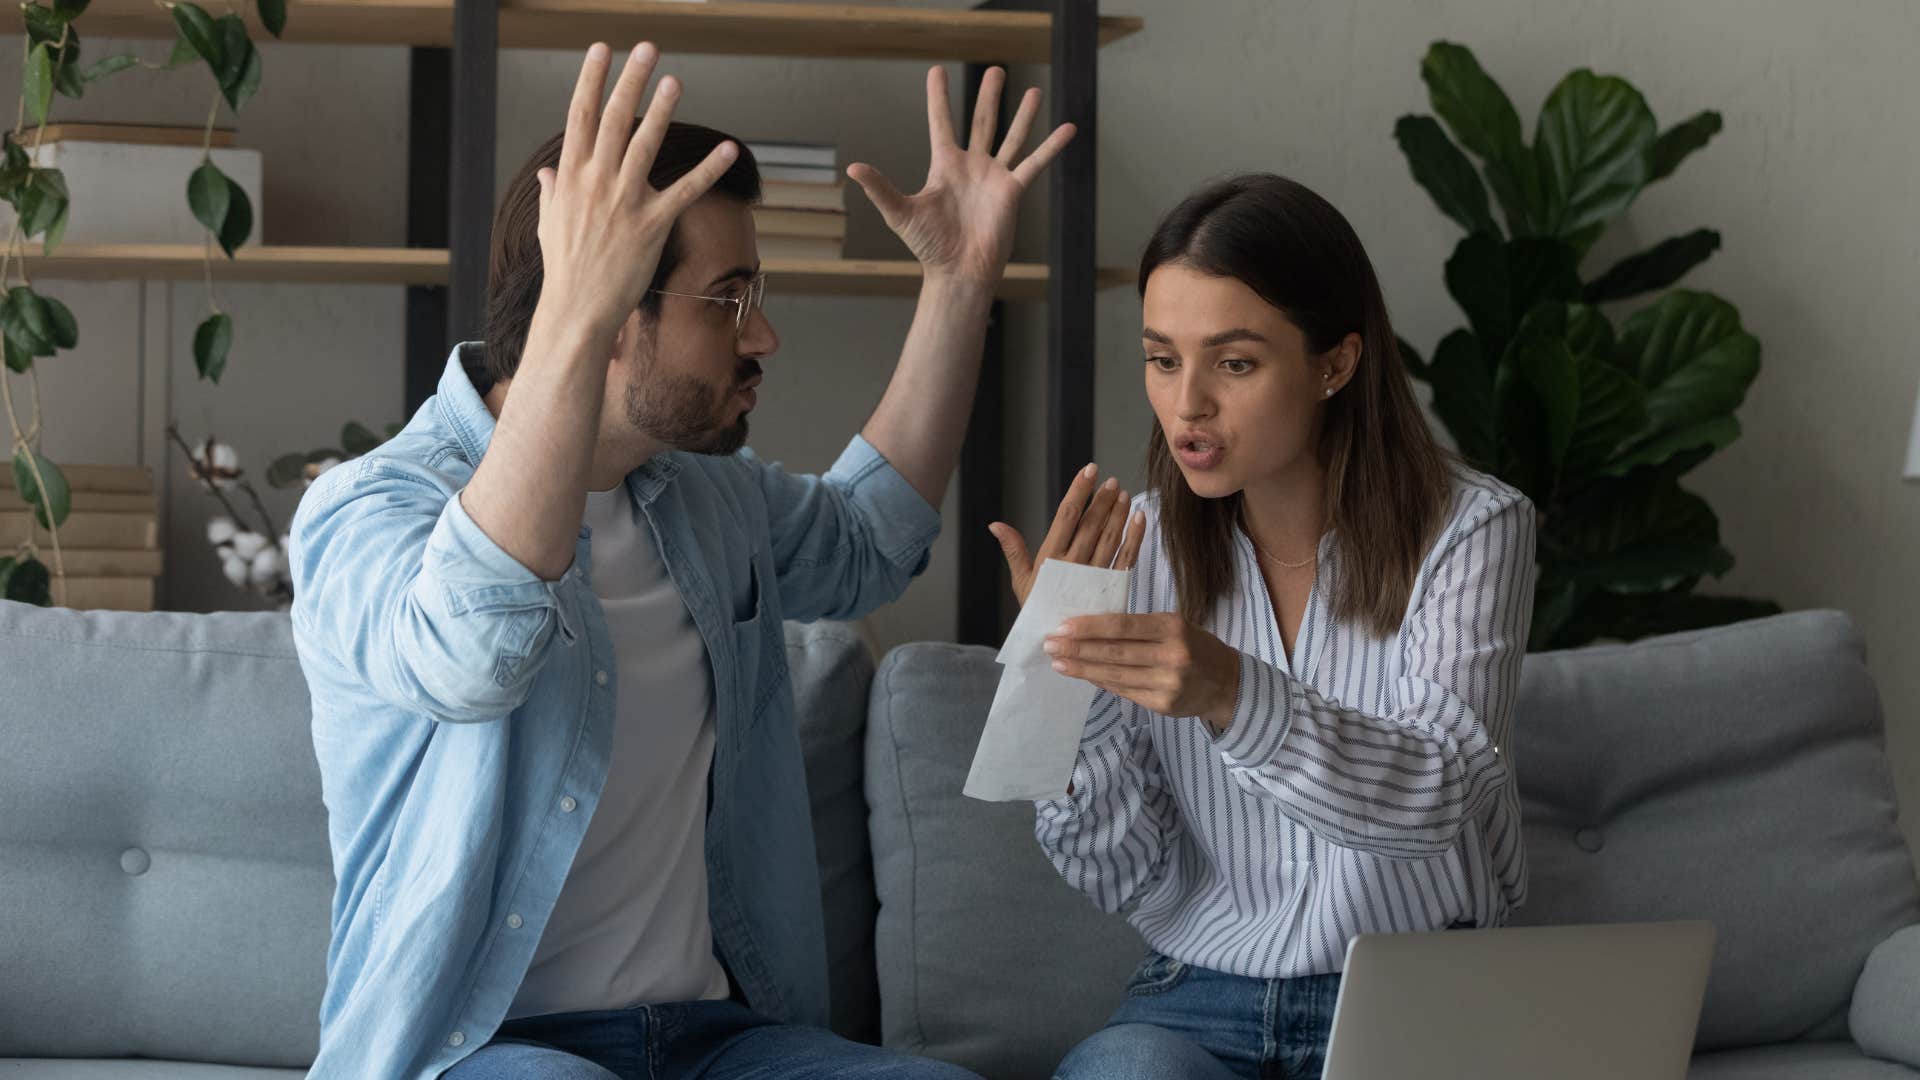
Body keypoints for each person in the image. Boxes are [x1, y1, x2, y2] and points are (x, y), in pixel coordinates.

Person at [287, 40, 1072, 1079]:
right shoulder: (370, 509)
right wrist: (576, 306)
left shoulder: (704, 495)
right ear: (610, 313)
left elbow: (867, 542)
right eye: (729, 299)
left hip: (718, 1041)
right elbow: (470, 658)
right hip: (479, 1050)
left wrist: (961, 281)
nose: (765, 338)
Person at [989, 173, 1538, 1080]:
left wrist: (1232, 694)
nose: (1187, 406)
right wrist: (1062, 681)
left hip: (1416, 995)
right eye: (1162, 359)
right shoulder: (1136, 550)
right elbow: (1123, 875)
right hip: (1194, 998)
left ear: (1336, 363)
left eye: (1233, 363)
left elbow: (1441, 794)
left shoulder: (1474, 529)